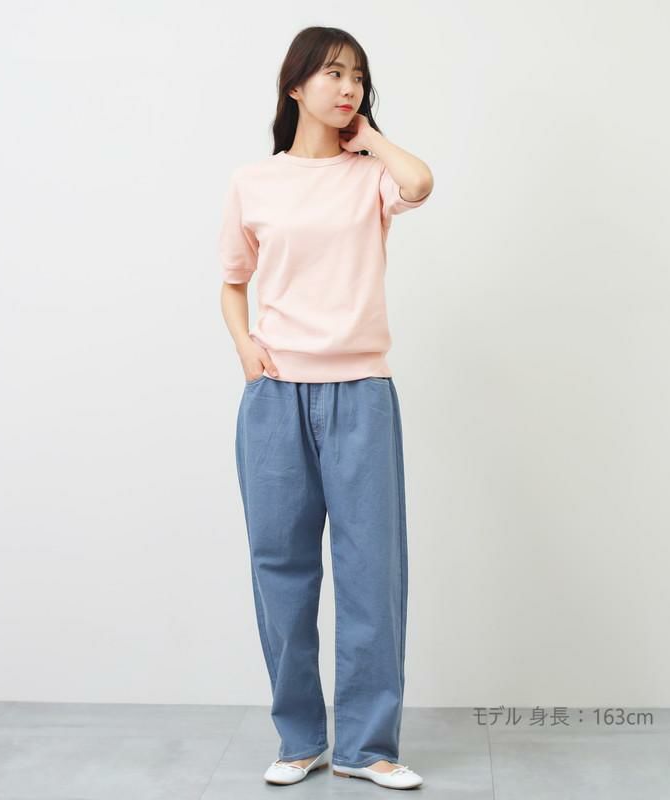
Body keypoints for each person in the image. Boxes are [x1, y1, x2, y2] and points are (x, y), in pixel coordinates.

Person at [219, 26, 433, 791]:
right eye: (333, 74)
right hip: (275, 397)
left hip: (361, 394)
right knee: (280, 569)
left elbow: (420, 182)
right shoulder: (254, 181)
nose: (348, 87)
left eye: (358, 77)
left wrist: (369, 137)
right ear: (296, 85)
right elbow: (232, 282)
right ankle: (300, 737)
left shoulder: (369, 176)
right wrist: (246, 348)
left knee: (372, 571)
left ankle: (367, 747)